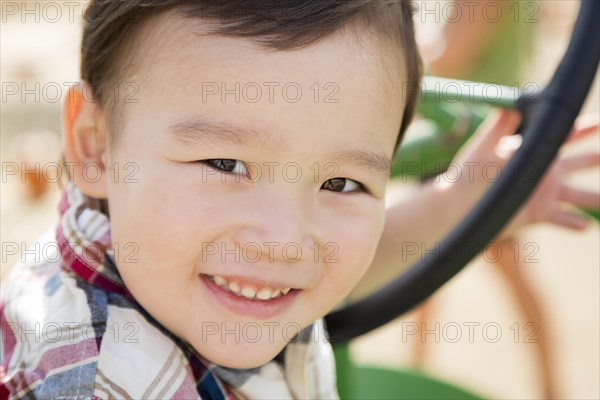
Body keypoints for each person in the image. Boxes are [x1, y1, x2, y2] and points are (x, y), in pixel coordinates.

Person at [1, 1, 597, 399]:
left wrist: (463, 202)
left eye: (341, 184)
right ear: (96, 146)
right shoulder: (91, 378)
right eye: (225, 164)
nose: (286, 241)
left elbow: (346, 275)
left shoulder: (178, 262)